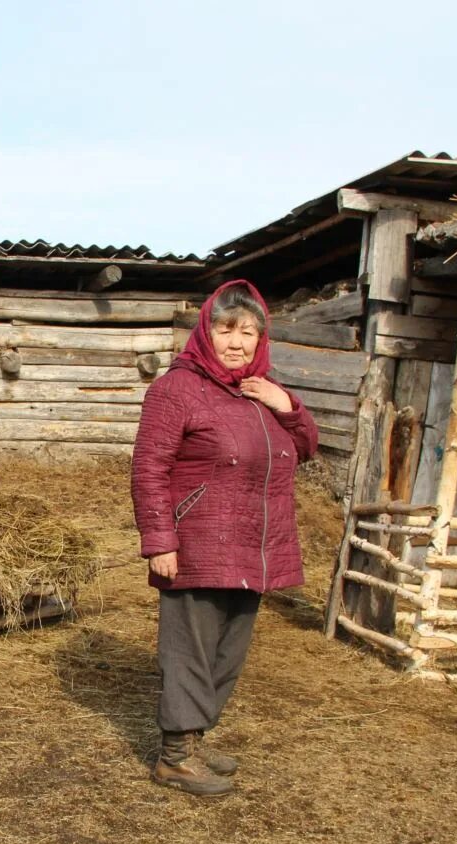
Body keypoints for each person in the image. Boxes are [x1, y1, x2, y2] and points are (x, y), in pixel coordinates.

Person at [130, 279, 319, 797]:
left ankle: (192, 738)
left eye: (249, 333)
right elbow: (149, 467)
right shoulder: (178, 389)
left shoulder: (262, 392)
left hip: (256, 543)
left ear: (262, 340)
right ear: (206, 331)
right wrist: (159, 539)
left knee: (227, 652)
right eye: (226, 329)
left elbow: (305, 448)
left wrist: (287, 405)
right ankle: (174, 757)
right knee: (188, 650)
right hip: (198, 541)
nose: (237, 343)